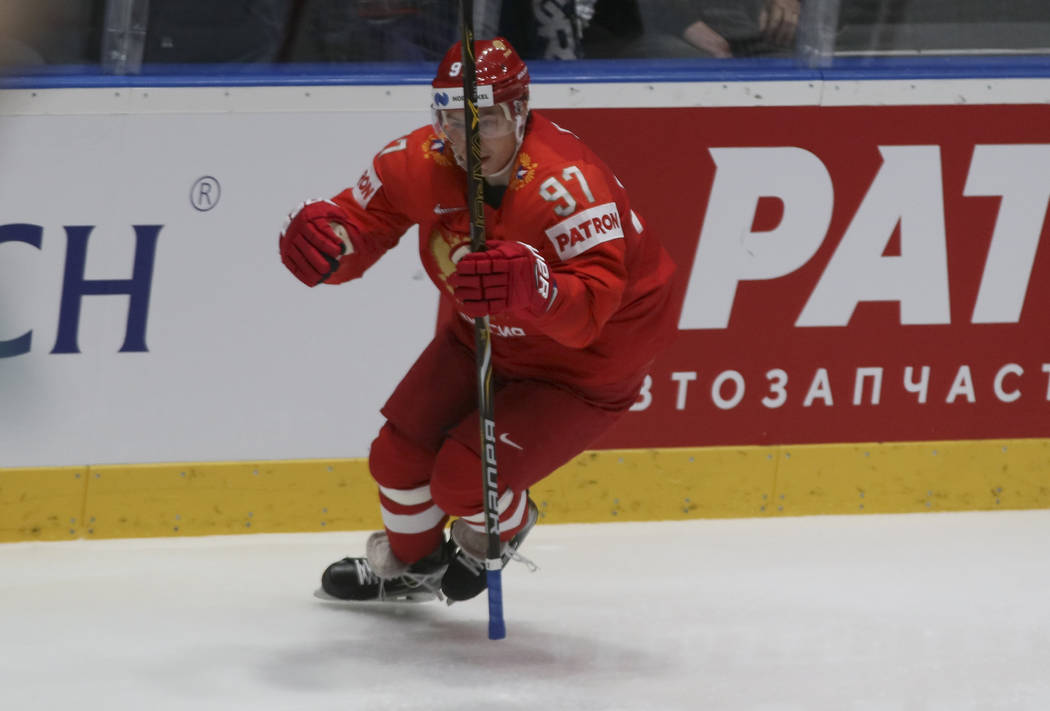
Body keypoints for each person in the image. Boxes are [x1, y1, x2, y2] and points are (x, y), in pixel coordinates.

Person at [278, 37, 677, 603]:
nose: (464, 141)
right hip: (482, 335)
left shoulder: (567, 189)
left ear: (519, 112)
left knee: (466, 481)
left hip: (584, 368)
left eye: (484, 121)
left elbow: (590, 312)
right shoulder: (420, 160)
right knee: (395, 457)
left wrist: (537, 290)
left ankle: (505, 524)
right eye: (450, 120)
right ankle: (415, 569)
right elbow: (362, 221)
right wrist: (332, 243)